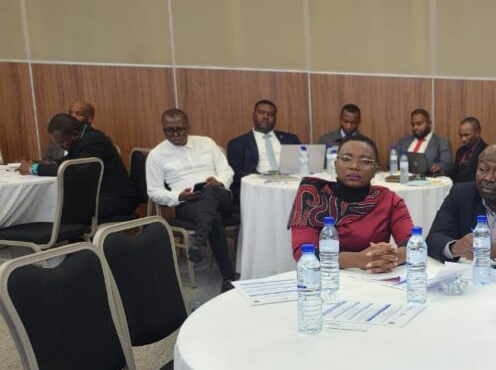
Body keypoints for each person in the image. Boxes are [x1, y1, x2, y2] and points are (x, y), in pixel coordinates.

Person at [288, 134, 413, 272]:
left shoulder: (387, 199)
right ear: (335, 164)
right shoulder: (312, 195)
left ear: (375, 170)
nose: (354, 166)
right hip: (327, 277)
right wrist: (359, 259)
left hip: (375, 278)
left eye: (365, 161)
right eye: (346, 159)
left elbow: (414, 244)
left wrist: (390, 258)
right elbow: (304, 253)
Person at [146, 109, 237, 291]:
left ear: (188, 127)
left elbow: (227, 170)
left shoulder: (206, 143)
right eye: (169, 130)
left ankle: (199, 241)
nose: (175, 134)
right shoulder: (156, 155)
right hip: (188, 202)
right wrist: (178, 196)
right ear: (163, 129)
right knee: (212, 218)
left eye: (180, 129)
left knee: (209, 190)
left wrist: (218, 181)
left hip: (220, 197)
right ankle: (228, 277)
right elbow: (153, 191)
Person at [19, 113, 137, 222]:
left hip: (117, 199)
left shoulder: (93, 141)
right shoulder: (82, 137)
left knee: (60, 210)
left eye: (62, 142)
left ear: (74, 134)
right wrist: (42, 163)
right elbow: (69, 160)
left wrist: (34, 168)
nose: (60, 146)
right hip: (100, 195)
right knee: (55, 206)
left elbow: (73, 170)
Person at [226, 100, 300, 202]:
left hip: (291, 183)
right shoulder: (237, 143)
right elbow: (234, 172)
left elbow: (303, 162)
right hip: (259, 186)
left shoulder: (291, 139)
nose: (265, 117)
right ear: (253, 115)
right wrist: (261, 177)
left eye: (270, 114)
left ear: (275, 119)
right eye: (261, 112)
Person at [391, 109, 453, 176]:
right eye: (413, 125)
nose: (415, 127)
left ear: (429, 124)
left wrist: (436, 167)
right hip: (404, 178)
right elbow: (392, 162)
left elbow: (447, 165)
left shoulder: (442, 143)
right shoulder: (403, 142)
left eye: (419, 124)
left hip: (428, 179)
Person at [450, 117, 487, 184]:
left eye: (466, 135)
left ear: (478, 132)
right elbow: (453, 174)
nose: (463, 139)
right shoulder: (460, 151)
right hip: (455, 187)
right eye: (461, 135)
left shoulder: (486, 152)